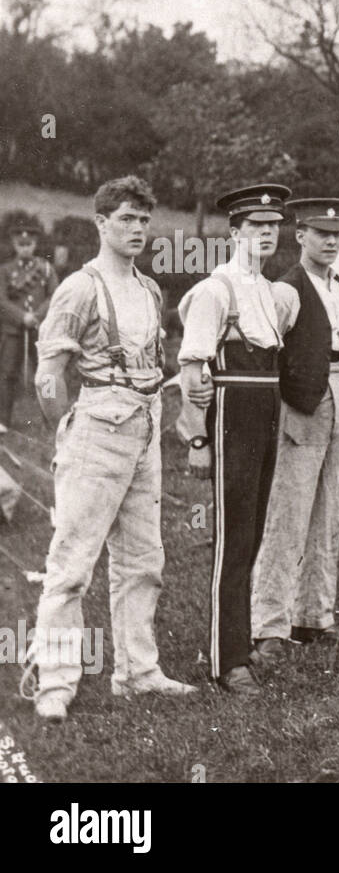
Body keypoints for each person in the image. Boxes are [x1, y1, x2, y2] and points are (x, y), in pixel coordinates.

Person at [22, 176, 195, 722]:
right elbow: (48, 374)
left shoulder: (150, 289)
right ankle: (54, 681)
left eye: (144, 220)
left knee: (145, 561)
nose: (137, 229)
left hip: (145, 426)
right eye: (126, 219)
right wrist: (67, 428)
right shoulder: (80, 287)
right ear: (101, 223)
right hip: (96, 424)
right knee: (71, 565)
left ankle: (138, 672)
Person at [179, 183, 300, 695]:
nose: (267, 234)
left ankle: (241, 641)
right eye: (256, 226)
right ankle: (227, 662)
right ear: (235, 232)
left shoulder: (270, 290)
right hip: (232, 411)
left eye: (273, 226)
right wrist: (198, 440)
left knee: (251, 533)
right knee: (231, 540)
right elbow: (190, 369)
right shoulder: (216, 288)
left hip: (267, 406)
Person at [247, 198, 339, 668]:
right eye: (321, 233)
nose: (330, 241)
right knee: (288, 515)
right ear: (301, 237)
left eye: (337, 233)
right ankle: (267, 625)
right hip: (301, 403)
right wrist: (286, 403)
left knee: (329, 508)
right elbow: (265, 353)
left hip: (337, 396)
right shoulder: (286, 290)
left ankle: (314, 614)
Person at [0, 218, 58, 430]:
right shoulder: (4, 270)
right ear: (14, 245)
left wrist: (37, 316)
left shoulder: (46, 269)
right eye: (20, 244)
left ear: (35, 244)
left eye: (29, 244)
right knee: (7, 374)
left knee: (47, 374)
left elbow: (55, 295)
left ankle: (51, 419)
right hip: (12, 330)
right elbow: (1, 300)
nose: (25, 248)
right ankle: (3, 420)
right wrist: (21, 317)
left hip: (40, 329)